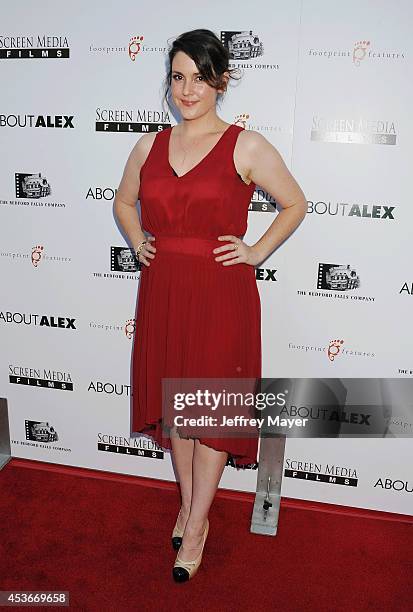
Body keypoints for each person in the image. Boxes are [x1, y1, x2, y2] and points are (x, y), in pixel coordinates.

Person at [114, 28, 307, 582]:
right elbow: (125, 201)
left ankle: (196, 523)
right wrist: (137, 238)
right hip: (164, 290)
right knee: (178, 414)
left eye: (199, 77)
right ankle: (188, 503)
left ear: (221, 81)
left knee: (208, 413)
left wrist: (254, 251)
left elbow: (295, 203)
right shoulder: (148, 145)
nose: (188, 89)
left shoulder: (245, 144)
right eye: (178, 77)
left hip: (221, 294)